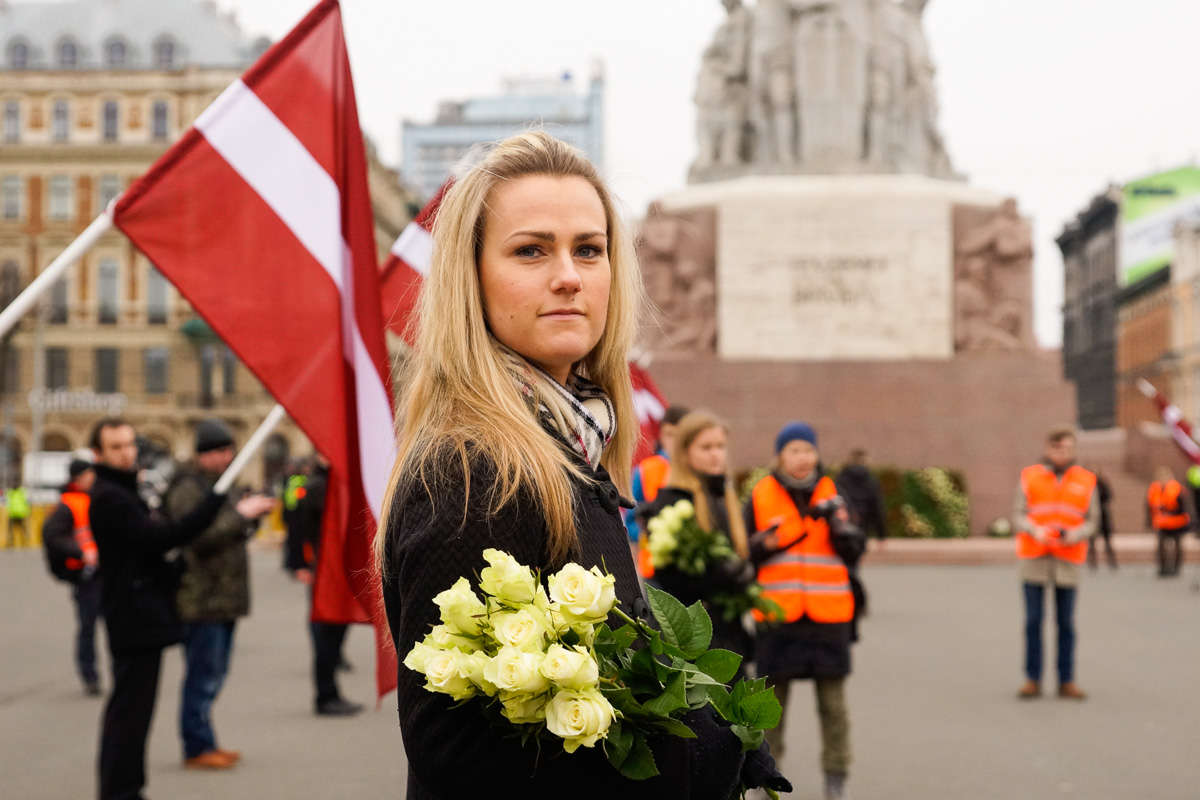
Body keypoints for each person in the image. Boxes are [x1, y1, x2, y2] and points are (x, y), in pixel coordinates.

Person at [376, 132, 788, 800]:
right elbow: (454, 752)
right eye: (531, 250)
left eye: (588, 250)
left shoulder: (568, 437)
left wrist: (708, 717)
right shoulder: (475, 469)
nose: (568, 274)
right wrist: (699, 757)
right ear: (470, 276)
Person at [88, 418, 272, 800]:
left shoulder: (123, 490)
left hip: (144, 612)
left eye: (129, 444)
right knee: (130, 711)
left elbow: (152, 545)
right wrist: (222, 509)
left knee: (137, 711)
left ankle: (128, 787)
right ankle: (121, 789)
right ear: (98, 454)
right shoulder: (111, 496)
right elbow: (160, 539)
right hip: (135, 614)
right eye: (116, 447)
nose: (127, 452)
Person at [745, 421, 864, 800]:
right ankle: (768, 780)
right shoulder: (762, 493)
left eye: (808, 450)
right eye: (794, 450)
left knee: (833, 709)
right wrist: (775, 539)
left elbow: (854, 551)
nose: (802, 458)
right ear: (780, 455)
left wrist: (842, 531)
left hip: (828, 618)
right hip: (778, 618)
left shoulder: (834, 494)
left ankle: (837, 777)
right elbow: (745, 548)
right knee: (772, 711)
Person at [166, 419, 273, 769]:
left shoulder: (220, 486)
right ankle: (196, 746)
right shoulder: (188, 488)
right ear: (203, 454)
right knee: (203, 674)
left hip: (223, 597)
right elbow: (196, 538)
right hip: (200, 598)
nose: (227, 458)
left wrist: (250, 516)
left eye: (230, 451)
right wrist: (240, 515)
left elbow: (229, 532)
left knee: (215, 673)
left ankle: (205, 740)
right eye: (220, 452)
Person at [641, 411, 756, 677]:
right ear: (684, 453)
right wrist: (721, 576)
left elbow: (737, 555)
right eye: (706, 447)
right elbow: (668, 578)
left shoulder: (723, 495)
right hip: (692, 637)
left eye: (720, 446)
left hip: (729, 633)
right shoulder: (673, 501)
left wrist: (749, 564)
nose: (716, 454)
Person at [1013, 426, 1097, 701]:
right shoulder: (1030, 476)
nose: (1062, 453)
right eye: (1058, 448)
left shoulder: (1086, 480)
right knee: (1033, 621)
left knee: (1066, 623)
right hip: (1034, 556)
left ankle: (1066, 680)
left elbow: (1093, 520)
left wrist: (1077, 534)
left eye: (1067, 448)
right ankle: (1033, 678)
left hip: (1068, 557)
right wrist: (1033, 529)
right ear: (1048, 448)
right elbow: (1018, 514)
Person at [284, 454, 361, 716]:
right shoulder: (319, 485)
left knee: (334, 629)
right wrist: (299, 564)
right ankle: (326, 695)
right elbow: (298, 527)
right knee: (327, 630)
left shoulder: (331, 482)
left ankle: (330, 691)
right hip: (324, 568)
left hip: (333, 567)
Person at [41, 458, 102, 695]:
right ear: (77, 478)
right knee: (88, 625)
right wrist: (81, 553)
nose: (92, 478)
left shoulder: (97, 497)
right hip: (86, 574)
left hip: (104, 570)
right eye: (88, 475)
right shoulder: (69, 504)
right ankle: (89, 674)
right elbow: (53, 536)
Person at [624, 404, 689, 547]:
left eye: (680, 435)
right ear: (661, 435)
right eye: (670, 434)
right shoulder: (645, 470)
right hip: (654, 560)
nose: (674, 441)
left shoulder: (697, 469)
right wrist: (649, 534)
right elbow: (630, 520)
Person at [1146, 466, 1191, 577]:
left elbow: (1184, 507)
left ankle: (1176, 568)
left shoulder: (1177, 489)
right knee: (1161, 546)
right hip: (1162, 523)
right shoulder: (1154, 489)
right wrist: (1149, 522)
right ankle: (1163, 568)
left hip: (1177, 522)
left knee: (1178, 546)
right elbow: (1149, 507)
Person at [1086, 465, 1117, 571]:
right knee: (1092, 543)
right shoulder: (1087, 485)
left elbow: (1109, 496)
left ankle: (1112, 563)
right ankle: (1092, 564)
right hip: (1092, 517)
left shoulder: (1102, 484)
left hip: (1103, 516)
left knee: (1107, 542)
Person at [6, 483, 31, 548]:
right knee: (19, 530)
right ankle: (22, 542)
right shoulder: (20, 492)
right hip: (17, 513)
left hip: (17, 513)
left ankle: (24, 542)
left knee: (16, 530)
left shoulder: (11, 493)